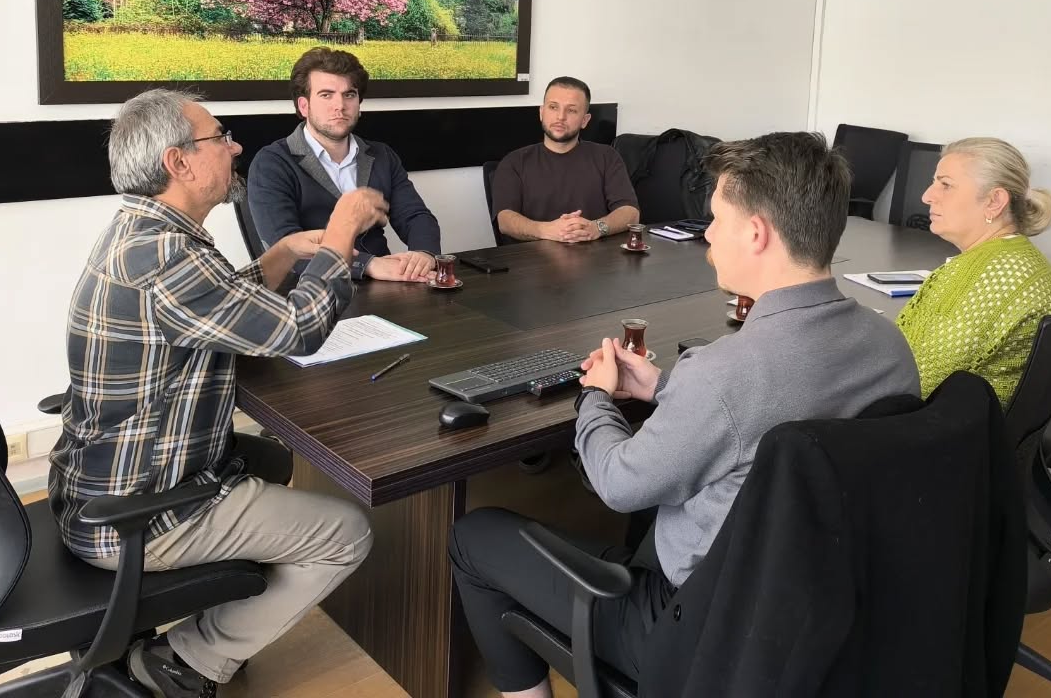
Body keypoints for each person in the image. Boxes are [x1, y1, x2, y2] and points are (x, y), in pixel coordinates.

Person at [449, 132, 920, 697]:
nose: (708, 234)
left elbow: (619, 484)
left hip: (695, 629)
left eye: (716, 219)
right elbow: (765, 417)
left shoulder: (725, 372)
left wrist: (595, 396)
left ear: (756, 233)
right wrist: (664, 387)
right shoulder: (890, 347)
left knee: (472, 538)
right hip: (817, 608)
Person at [48, 88, 386, 698]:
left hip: (103, 477)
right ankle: (189, 660)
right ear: (178, 162)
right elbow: (299, 330)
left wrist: (281, 253)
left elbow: (217, 303)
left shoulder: (143, 232)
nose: (234, 147)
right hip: (142, 509)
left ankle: (203, 616)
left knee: (273, 460)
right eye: (219, 137)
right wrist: (341, 232)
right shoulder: (166, 256)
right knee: (347, 533)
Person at [896, 137, 1051, 405]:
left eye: (945, 185)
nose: (927, 196)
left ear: (994, 201)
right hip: (986, 420)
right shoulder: (1016, 258)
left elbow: (914, 382)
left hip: (954, 425)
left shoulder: (985, 280)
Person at [249, 46, 442, 282]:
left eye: (349, 94)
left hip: (386, 284)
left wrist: (423, 255)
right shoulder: (271, 163)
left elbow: (416, 216)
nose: (340, 105)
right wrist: (369, 265)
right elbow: (287, 248)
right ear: (303, 106)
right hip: (311, 291)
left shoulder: (382, 155)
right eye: (326, 95)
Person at [492, 76, 640, 243]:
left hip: (597, 255)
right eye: (553, 107)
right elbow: (505, 220)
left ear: (585, 120)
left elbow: (630, 212)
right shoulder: (514, 162)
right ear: (541, 112)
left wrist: (596, 228)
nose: (560, 117)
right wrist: (547, 230)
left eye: (571, 110)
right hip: (535, 256)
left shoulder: (607, 156)